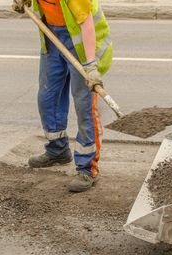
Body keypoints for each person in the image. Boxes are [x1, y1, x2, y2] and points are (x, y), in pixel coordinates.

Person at [13, 0, 113, 193]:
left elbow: (87, 24)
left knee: (84, 106)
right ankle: (57, 150)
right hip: (52, 37)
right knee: (48, 98)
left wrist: (91, 65)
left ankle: (87, 168)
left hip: (83, 45)